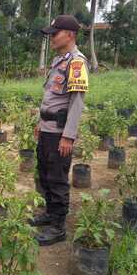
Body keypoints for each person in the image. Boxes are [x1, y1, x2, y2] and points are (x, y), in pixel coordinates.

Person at [31, 15, 89, 245]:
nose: (52, 38)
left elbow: (76, 101)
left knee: (57, 178)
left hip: (59, 132)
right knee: (45, 173)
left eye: (55, 33)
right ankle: (49, 212)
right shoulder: (59, 61)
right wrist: (39, 122)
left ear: (70, 35)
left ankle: (58, 227)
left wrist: (68, 135)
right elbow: (49, 97)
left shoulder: (76, 62)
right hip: (47, 128)